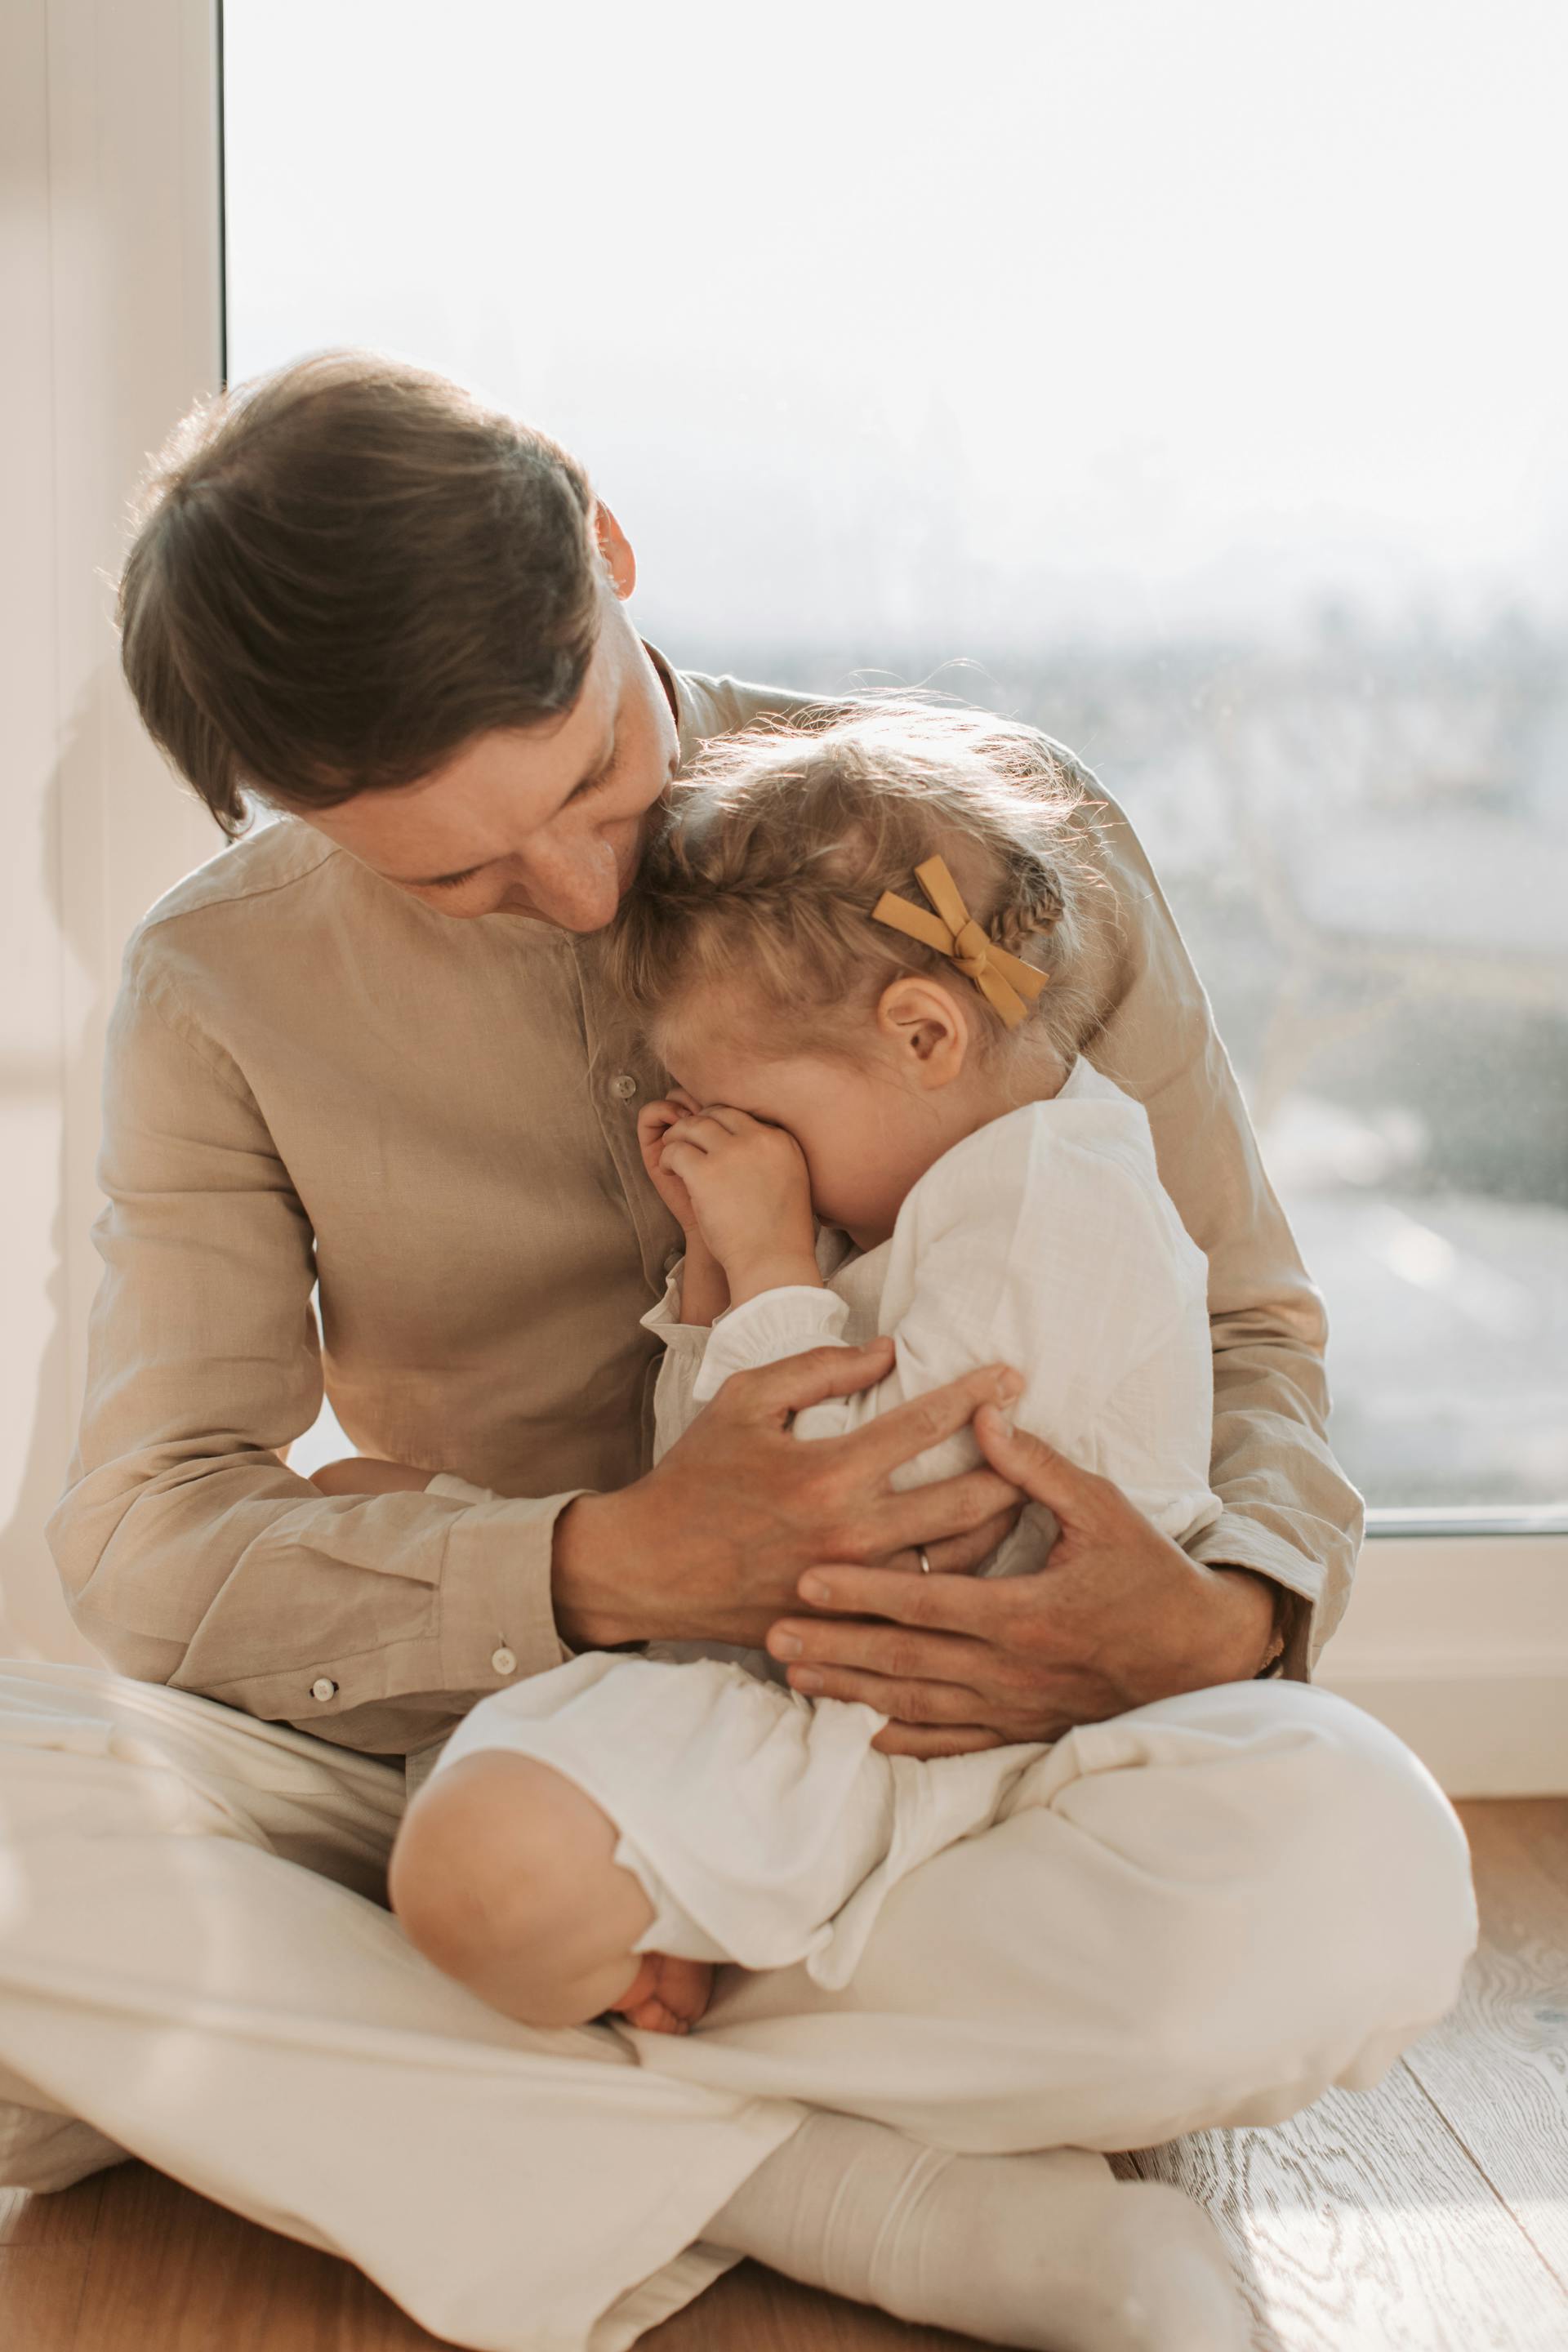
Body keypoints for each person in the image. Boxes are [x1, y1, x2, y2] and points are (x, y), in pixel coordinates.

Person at [0, 353, 1477, 2352]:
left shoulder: (981, 848)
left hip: (969, 1764)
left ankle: (389, 2067)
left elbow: (1247, 1327)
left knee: (1365, 1880)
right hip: (489, 1768)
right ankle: (859, 2196)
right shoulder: (218, 986)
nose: (583, 890)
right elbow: (149, 1534)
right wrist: (603, 1566)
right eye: (456, 875)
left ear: (609, 552)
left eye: (593, 779)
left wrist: (1215, 1623)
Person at [381, 701, 1233, 2052]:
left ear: (924, 1036)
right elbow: (718, 1491)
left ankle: (708, 1994)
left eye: (761, 1116)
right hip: (802, 1698)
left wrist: (777, 1266)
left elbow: (867, 1527)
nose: (744, 1151)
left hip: (932, 1742)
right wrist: (718, 1283)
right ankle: (695, 1957)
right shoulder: (918, 1193)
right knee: (460, 1813)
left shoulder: (1050, 1206)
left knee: (482, 1867)